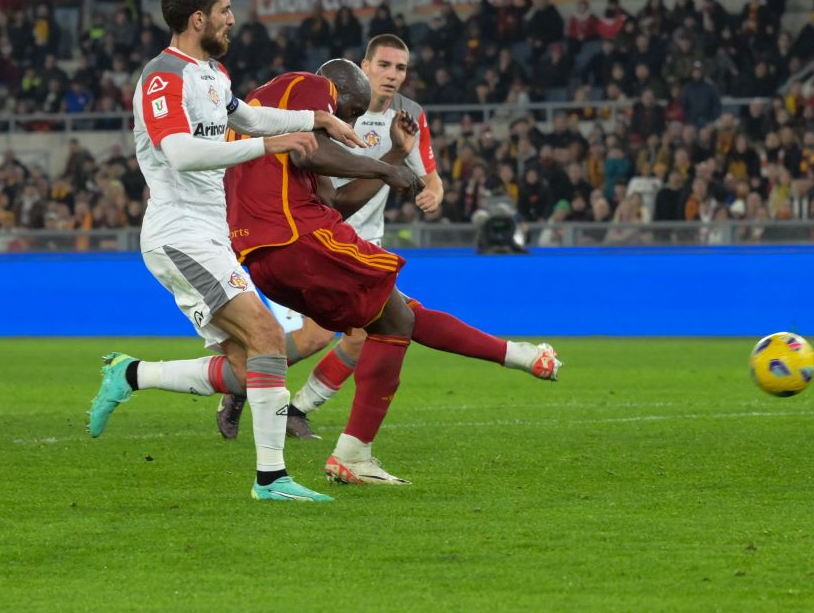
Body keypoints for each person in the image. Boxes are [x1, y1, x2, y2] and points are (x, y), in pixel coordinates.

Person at [86, 0, 363, 504]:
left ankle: (131, 374)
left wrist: (315, 120)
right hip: (179, 232)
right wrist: (273, 147)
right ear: (198, 19)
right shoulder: (165, 77)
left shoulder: (212, 73)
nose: (232, 19)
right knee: (266, 338)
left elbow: (249, 117)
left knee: (247, 366)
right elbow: (182, 152)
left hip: (210, 233)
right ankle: (271, 480)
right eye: (224, 10)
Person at [222, 60, 561, 485]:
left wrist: (396, 155)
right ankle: (352, 452)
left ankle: (520, 356)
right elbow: (314, 149)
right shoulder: (308, 86)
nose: (347, 123)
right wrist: (385, 169)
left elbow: (335, 204)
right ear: (338, 89)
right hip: (295, 237)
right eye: (350, 112)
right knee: (394, 318)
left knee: (395, 315)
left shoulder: (274, 118)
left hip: (268, 255)